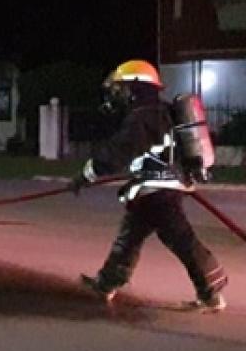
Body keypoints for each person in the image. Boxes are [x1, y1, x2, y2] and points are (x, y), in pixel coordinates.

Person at [70, 60, 227, 311]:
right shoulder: (159, 111)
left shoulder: (143, 116)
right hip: (154, 189)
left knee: (181, 240)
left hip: (158, 190)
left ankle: (211, 292)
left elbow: (120, 151)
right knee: (130, 238)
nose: (117, 95)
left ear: (135, 88)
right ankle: (107, 283)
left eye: (121, 89)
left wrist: (87, 174)